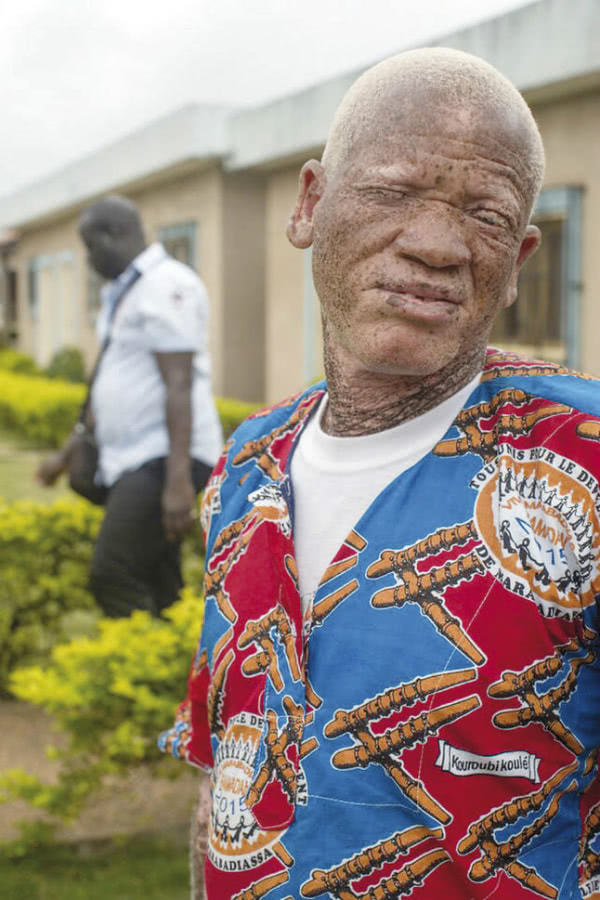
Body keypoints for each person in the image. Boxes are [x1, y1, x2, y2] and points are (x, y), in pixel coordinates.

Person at [160, 48, 600, 899]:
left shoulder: (581, 457)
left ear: (519, 260)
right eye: (395, 191)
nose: (436, 244)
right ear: (310, 205)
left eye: (485, 214)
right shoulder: (248, 465)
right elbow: (223, 772)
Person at [37, 196, 222, 617]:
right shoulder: (125, 291)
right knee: (161, 582)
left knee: (112, 573)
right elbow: (112, 378)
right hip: (137, 458)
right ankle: (173, 672)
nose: (88, 259)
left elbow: (179, 384)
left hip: (163, 459)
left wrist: (177, 483)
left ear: (115, 236)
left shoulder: (167, 284)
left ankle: (139, 666)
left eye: (90, 247)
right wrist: (67, 455)